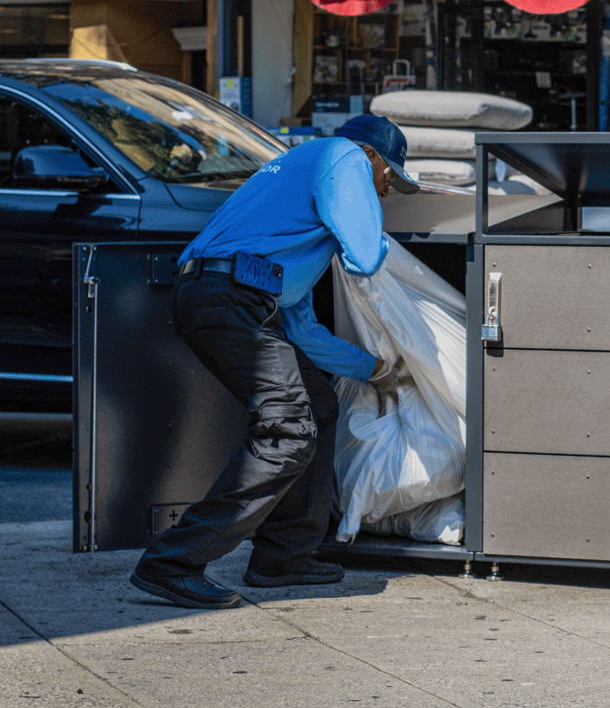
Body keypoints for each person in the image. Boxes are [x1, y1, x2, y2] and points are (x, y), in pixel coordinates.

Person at [130, 115, 419, 609]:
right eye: (389, 176)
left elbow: (303, 330)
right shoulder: (341, 155)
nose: (386, 190)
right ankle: (172, 563)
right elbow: (368, 256)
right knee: (287, 431)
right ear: (370, 155)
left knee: (317, 403)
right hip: (228, 298)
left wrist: (375, 369)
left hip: (225, 296)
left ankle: (283, 557)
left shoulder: (290, 208)